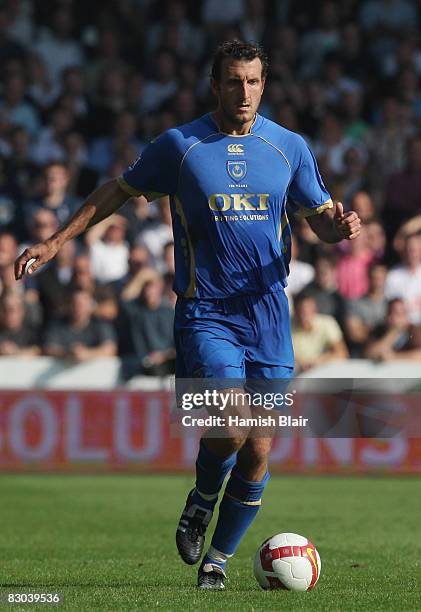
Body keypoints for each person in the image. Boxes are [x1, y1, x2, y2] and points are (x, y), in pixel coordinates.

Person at [14, 40, 361, 590]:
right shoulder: (180, 146)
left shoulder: (289, 147)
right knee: (231, 423)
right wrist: (57, 242)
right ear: (214, 85)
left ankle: (217, 564)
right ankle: (201, 499)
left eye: (251, 81)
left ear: (263, 86)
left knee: (259, 450)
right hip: (207, 312)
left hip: (269, 313)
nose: (242, 92)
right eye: (232, 81)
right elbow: (117, 191)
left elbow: (318, 215)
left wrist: (338, 229)